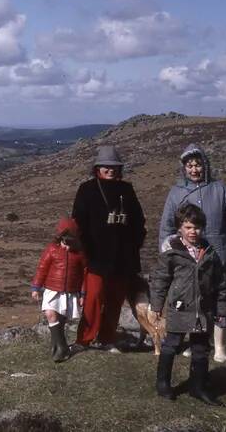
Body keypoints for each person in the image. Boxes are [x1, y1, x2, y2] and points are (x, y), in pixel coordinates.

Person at [159, 144, 226, 362]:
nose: (194, 170)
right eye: (190, 166)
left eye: (198, 165)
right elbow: (167, 227)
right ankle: (196, 344)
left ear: (206, 165)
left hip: (218, 256)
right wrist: (167, 252)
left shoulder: (220, 189)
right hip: (188, 259)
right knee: (193, 302)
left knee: (219, 302)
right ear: (184, 168)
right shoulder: (176, 193)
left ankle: (220, 345)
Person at [150, 203, 226, 406]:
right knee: (171, 345)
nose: (194, 232)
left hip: (203, 310)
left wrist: (221, 310)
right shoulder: (172, 253)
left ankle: (198, 387)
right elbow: (160, 279)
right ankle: (163, 383)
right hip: (179, 308)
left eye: (198, 227)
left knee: (201, 348)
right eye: (189, 227)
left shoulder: (210, 253)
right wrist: (156, 305)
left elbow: (220, 284)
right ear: (179, 229)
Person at [72, 146, 146, 352]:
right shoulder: (86, 189)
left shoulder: (127, 189)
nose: (110, 169)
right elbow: (78, 221)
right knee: (93, 299)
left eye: (114, 166)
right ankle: (84, 340)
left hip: (123, 257)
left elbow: (139, 221)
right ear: (97, 168)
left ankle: (107, 339)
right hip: (96, 256)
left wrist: (135, 244)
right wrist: (85, 250)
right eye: (106, 166)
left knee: (115, 300)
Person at [31, 217, 87, 362]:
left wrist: (83, 293)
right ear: (60, 238)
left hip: (70, 291)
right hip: (52, 289)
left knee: (61, 319)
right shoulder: (52, 249)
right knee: (50, 314)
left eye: (71, 243)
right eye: (65, 242)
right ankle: (62, 347)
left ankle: (56, 346)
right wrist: (36, 287)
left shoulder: (80, 254)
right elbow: (42, 269)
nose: (67, 247)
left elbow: (84, 275)